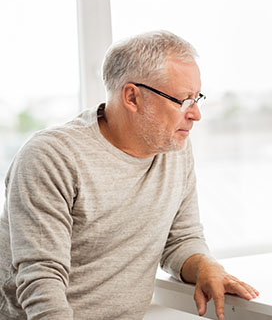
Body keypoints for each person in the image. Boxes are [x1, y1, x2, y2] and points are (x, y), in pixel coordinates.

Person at [0, 30, 258, 320]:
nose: (196, 114)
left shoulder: (174, 147)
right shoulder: (51, 156)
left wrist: (205, 266)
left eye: (197, 97)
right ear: (132, 97)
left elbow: (180, 240)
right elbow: (41, 281)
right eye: (184, 100)